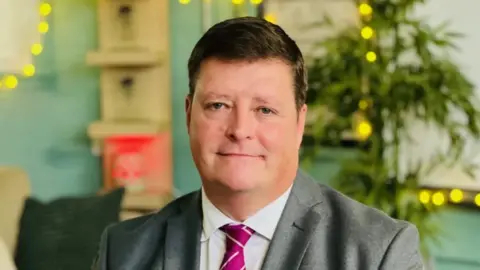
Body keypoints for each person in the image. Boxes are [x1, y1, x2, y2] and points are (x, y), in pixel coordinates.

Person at [92, 16, 424, 270]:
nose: (240, 130)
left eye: (264, 109)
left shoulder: (379, 252)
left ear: (299, 123)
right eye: (218, 106)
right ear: (189, 114)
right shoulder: (123, 251)